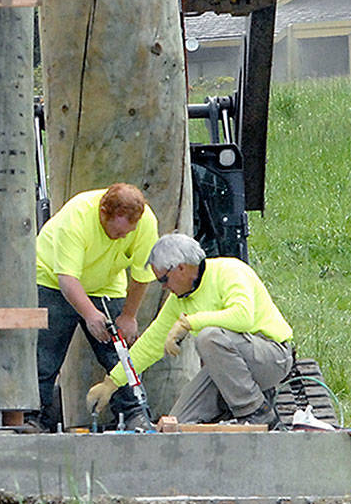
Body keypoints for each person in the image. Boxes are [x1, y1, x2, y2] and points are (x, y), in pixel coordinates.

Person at [86, 233, 293, 428]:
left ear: (181, 268)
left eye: (163, 280)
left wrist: (189, 323)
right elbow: (150, 344)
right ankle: (235, 414)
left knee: (208, 337)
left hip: (272, 357)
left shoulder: (230, 271)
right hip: (224, 368)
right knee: (176, 424)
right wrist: (112, 382)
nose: (164, 287)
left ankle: (256, 411)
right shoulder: (180, 299)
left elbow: (243, 317)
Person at [29, 182, 159, 432]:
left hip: (106, 284)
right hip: (53, 280)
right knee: (45, 354)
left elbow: (142, 275)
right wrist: (89, 315)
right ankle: (34, 418)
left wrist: (129, 316)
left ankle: (134, 414)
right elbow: (67, 279)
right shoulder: (76, 216)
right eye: (117, 233)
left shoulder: (146, 222)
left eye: (126, 234)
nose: (122, 238)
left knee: (119, 353)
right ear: (103, 214)